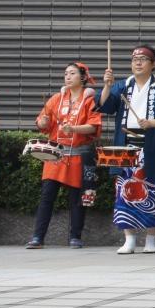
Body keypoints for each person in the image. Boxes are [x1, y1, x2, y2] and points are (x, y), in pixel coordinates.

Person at [99, 45, 155, 254]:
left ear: (154, 64)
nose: (138, 62)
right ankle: (129, 239)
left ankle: (151, 240)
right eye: (134, 59)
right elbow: (105, 106)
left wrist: (153, 123)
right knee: (124, 194)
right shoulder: (122, 86)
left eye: (143, 59)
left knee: (152, 193)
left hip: (152, 147)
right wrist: (107, 86)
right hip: (126, 146)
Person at [28, 62, 103, 249]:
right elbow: (42, 122)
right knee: (46, 196)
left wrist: (74, 128)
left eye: (72, 73)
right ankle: (38, 237)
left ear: (83, 77)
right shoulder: (57, 98)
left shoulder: (90, 100)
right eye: (66, 74)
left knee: (77, 199)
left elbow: (93, 126)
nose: (67, 77)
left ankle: (75, 236)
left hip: (78, 155)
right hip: (55, 155)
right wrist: (43, 122)